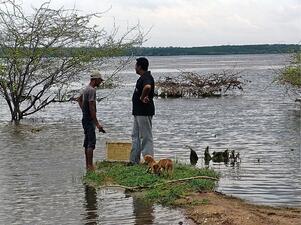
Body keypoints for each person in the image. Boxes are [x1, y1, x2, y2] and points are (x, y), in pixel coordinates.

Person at [129, 57, 155, 164]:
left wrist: (142, 97)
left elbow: (148, 87)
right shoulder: (142, 77)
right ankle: (134, 161)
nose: (135, 67)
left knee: (146, 136)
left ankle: (149, 162)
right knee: (135, 136)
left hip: (144, 112)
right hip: (138, 112)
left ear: (139, 66)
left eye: (136, 65)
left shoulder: (146, 77)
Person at [78, 70, 105, 171]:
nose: (101, 82)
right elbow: (92, 107)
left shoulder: (85, 89)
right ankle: (90, 166)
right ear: (95, 79)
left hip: (85, 118)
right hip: (89, 120)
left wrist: (83, 111)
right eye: (100, 80)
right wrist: (97, 124)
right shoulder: (92, 90)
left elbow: (79, 99)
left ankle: (88, 165)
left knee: (87, 142)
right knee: (91, 143)